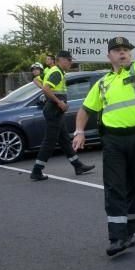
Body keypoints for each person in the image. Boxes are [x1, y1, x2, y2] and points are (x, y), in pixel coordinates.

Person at [73, 20, 135, 257]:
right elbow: (85, 110)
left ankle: (130, 232)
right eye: (117, 50)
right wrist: (79, 131)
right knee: (115, 187)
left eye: (126, 50)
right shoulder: (103, 83)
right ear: (109, 55)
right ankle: (117, 237)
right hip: (113, 141)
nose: (122, 53)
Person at [29, 51, 95, 181]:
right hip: (54, 109)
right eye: (69, 60)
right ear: (61, 60)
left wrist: (58, 102)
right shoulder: (57, 72)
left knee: (64, 139)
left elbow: (39, 82)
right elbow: (46, 89)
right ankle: (37, 170)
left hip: (54, 109)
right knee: (50, 141)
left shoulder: (53, 70)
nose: (71, 63)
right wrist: (59, 103)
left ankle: (78, 165)